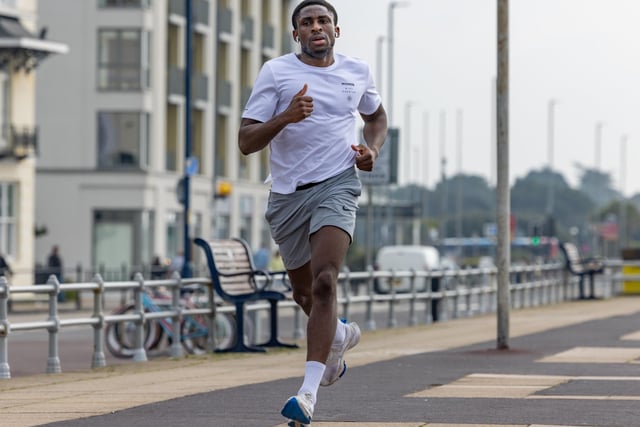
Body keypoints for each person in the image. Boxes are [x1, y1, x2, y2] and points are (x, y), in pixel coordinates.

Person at [238, 1, 388, 424]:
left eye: (323, 21)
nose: (316, 27)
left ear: (336, 31)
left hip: (337, 184)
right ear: (296, 35)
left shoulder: (356, 71)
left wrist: (371, 150)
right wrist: (286, 116)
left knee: (325, 282)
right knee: (304, 294)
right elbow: (246, 141)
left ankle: (307, 395)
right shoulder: (277, 73)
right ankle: (338, 336)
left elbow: (376, 117)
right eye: (307, 22)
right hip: (287, 194)